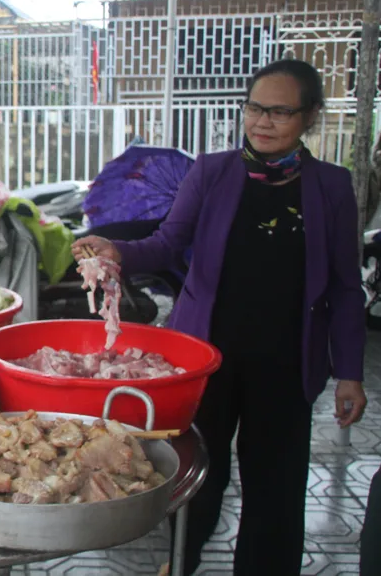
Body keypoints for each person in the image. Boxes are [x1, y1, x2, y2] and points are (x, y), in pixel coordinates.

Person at [74, 59, 367, 575]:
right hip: (206, 357)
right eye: (254, 107)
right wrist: (115, 251)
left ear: (311, 117)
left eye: (280, 111)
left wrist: (350, 372)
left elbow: (346, 288)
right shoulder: (212, 172)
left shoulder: (331, 187)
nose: (263, 122)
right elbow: (167, 243)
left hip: (287, 363)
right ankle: (180, 561)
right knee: (199, 476)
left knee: (276, 488)